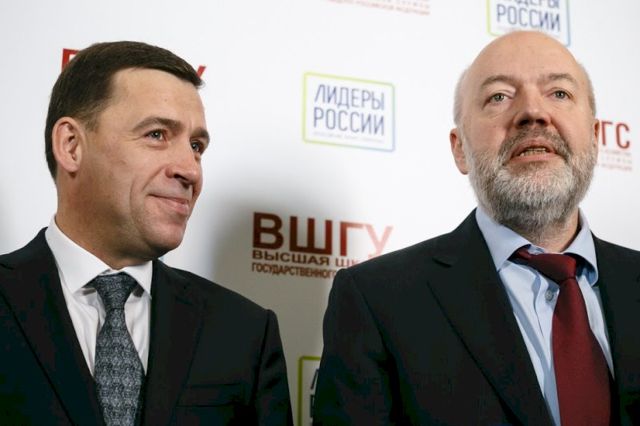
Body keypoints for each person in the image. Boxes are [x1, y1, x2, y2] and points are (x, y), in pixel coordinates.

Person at [313, 31, 640, 425]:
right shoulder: (376, 301)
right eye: (499, 96)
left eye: (559, 93)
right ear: (460, 149)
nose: (533, 112)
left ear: (596, 137)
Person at [0, 41, 293, 425]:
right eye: (157, 135)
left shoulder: (244, 333)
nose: (190, 170)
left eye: (196, 146)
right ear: (71, 146)